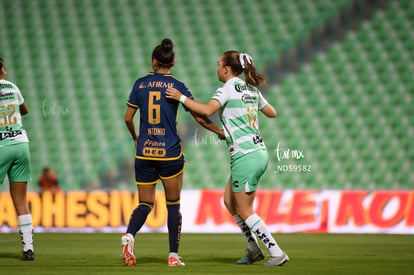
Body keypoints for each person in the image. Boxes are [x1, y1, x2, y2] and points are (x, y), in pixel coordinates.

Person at [166, 51, 289, 266]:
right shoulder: (251, 89)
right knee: (229, 200)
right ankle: (253, 250)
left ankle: (276, 252)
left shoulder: (228, 88)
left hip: (245, 154)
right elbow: (272, 113)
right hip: (256, 151)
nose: (217, 68)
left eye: (218, 64)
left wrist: (181, 98)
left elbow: (207, 109)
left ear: (226, 69)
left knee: (244, 208)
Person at [121, 38, 223, 267]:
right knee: (173, 205)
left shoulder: (140, 84)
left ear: (153, 61)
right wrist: (218, 131)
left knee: (145, 204)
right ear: (173, 62)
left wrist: (135, 138)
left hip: (144, 154)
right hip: (169, 154)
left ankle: (129, 235)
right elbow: (198, 116)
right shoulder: (177, 86)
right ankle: (173, 256)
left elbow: (128, 118)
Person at [0, 58, 35, 261]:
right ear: (2, 70)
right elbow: (25, 110)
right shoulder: (12, 87)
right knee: (21, 201)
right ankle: (28, 249)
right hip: (21, 144)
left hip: (1, 145)